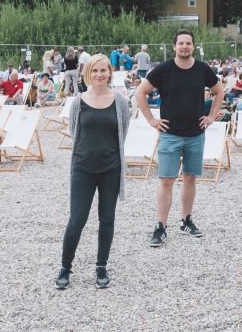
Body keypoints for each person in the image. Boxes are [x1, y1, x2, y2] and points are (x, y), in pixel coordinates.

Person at [135, 29, 224, 246]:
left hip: (195, 134)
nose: (185, 46)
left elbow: (219, 92)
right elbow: (140, 92)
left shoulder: (203, 69)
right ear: (174, 46)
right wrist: (151, 120)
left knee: (190, 178)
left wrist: (211, 117)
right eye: (181, 43)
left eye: (188, 43)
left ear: (193, 46)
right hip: (170, 135)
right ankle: (161, 226)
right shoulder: (164, 69)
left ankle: (186, 220)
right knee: (166, 180)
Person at [55, 54, 130, 290]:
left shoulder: (120, 101)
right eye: (94, 71)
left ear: (110, 72)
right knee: (77, 219)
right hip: (82, 167)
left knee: (107, 219)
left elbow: (123, 132)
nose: (99, 74)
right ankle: (66, 267)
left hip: (111, 167)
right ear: (88, 73)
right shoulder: (78, 101)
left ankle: (101, 266)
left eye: (103, 70)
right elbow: (74, 131)